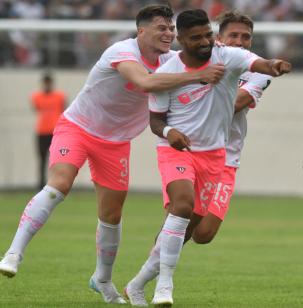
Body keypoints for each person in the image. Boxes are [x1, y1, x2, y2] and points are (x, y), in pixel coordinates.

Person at [0, 4, 225, 304]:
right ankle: (13, 253)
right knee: (60, 184)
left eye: (171, 28)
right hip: (78, 128)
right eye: (161, 28)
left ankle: (102, 279)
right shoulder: (122, 52)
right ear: (140, 31)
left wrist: (216, 46)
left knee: (111, 214)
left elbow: (205, 57)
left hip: (116, 143)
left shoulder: (172, 60)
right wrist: (198, 76)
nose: (169, 33)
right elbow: (145, 81)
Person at [123, 9, 290, 307]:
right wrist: (171, 130)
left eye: (207, 36)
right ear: (182, 39)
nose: (204, 42)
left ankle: (137, 284)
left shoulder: (233, 60)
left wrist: (274, 65)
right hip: (178, 150)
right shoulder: (168, 73)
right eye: (197, 37)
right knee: (181, 207)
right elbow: (157, 120)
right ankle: (164, 284)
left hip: (220, 156)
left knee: (199, 231)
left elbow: (255, 71)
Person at [30, 73, 66, 189]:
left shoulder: (60, 96)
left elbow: (63, 109)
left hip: (55, 132)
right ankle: (41, 185)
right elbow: (37, 108)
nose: (47, 84)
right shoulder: (36, 97)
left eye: (49, 82)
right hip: (41, 132)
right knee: (42, 159)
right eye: (45, 82)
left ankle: (55, 183)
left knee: (57, 160)